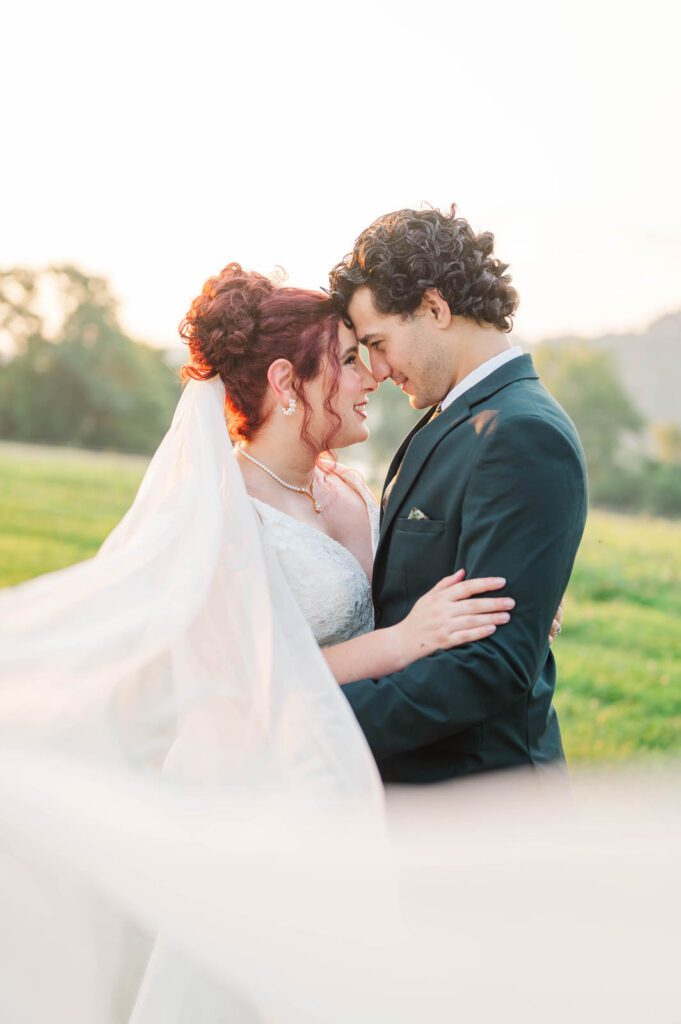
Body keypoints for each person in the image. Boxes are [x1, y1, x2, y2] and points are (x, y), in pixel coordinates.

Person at [329, 204, 588, 782]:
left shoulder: (523, 433)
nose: (375, 368)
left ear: (434, 307)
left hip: (480, 803)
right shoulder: (461, 414)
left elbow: (490, 665)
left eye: (378, 341)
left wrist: (315, 724)